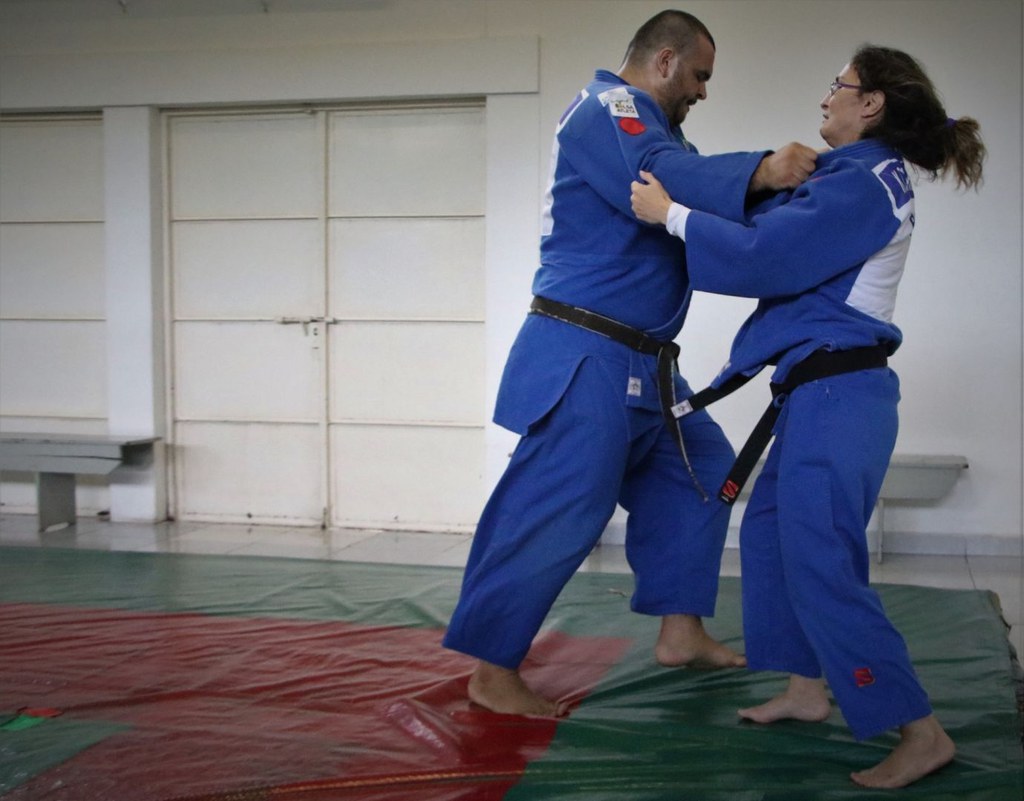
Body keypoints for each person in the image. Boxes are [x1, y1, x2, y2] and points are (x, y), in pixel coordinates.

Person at [441, 9, 817, 718]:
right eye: (701, 75)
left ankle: (681, 631)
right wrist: (763, 169)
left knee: (707, 476)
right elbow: (662, 175)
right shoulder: (609, 109)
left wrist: (797, 205)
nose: (703, 90)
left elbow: (692, 213)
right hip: (586, 352)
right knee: (557, 507)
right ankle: (492, 670)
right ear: (667, 60)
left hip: (647, 363)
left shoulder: (664, 135)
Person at [630, 44, 984, 788]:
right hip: (816, 394)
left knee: (822, 558)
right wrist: (754, 173)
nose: (827, 98)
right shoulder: (852, 178)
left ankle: (921, 730)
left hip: (839, 396)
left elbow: (770, 253)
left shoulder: (864, 180)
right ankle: (806, 688)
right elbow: (778, 220)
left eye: (839, 87)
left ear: (872, 104)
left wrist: (673, 214)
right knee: (769, 536)